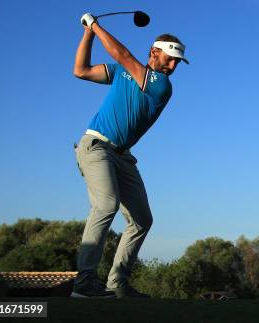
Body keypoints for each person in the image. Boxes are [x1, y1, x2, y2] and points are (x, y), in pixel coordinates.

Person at [70, 13, 189, 298]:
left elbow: (123, 55)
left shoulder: (162, 85)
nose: (173, 66)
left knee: (142, 220)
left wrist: (95, 24)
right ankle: (84, 282)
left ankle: (117, 283)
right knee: (106, 205)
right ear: (154, 53)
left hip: (123, 157)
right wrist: (88, 33)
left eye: (177, 62)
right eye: (170, 59)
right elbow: (81, 70)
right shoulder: (123, 73)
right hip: (96, 147)